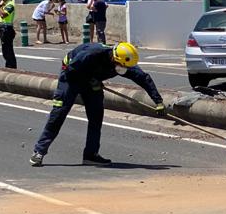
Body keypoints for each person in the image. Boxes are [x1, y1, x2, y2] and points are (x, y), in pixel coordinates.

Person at [30, 42, 164, 167]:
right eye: (120, 66)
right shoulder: (92, 54)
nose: (123, 69)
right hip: (71, 77)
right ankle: (39, 151)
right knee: (58, 114)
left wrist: (158, 101)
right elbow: (71, 70)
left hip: (92, 81)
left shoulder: (125, 61)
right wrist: (90, 80)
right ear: (114, 57)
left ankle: (90, 155)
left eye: (125, 67)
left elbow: (143, 78)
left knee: (96, 116)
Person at [0, 0, 17, 69]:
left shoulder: (10, 4)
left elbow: (4, 15)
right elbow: (3, 18)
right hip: (4, 28)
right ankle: (9, 66)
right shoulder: (6, 4)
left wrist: (0, 7)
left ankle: (11, 67)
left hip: (7, 29)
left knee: (8, 50)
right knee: (5, 50)